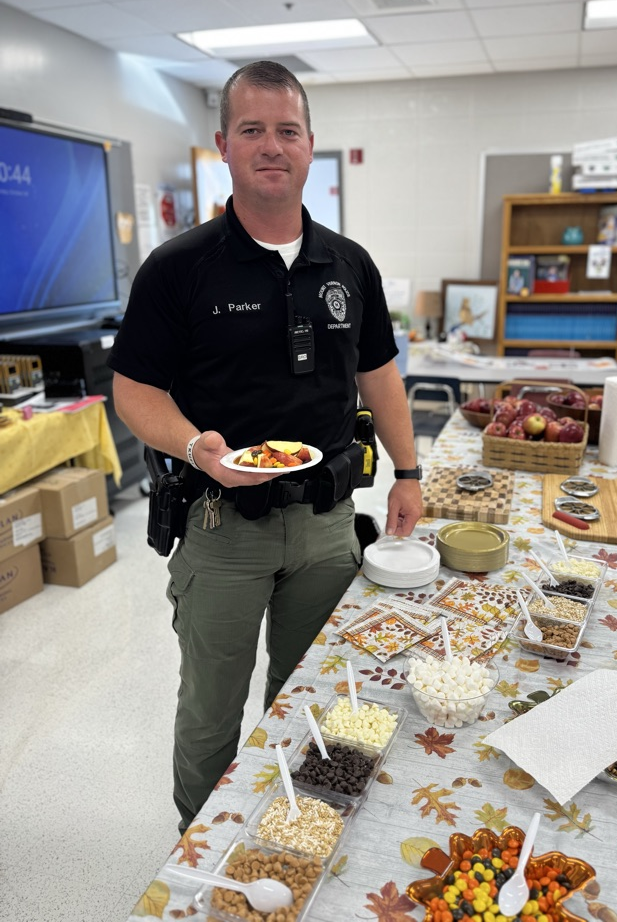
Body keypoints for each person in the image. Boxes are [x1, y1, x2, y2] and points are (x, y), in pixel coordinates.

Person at [107, 60, 422, 834]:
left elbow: (379, 375)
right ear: (224, 144)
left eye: (288, 130)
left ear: (311, 144)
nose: (271, 145)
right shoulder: (179, 268)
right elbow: (134, 391)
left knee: (308, 691)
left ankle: (290, 831)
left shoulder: (349, 264)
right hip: (221, 525)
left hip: (326, 524)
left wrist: (410, 472)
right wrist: (195, 446)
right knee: (211, 709)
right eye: (252, 130)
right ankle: (199, 844)